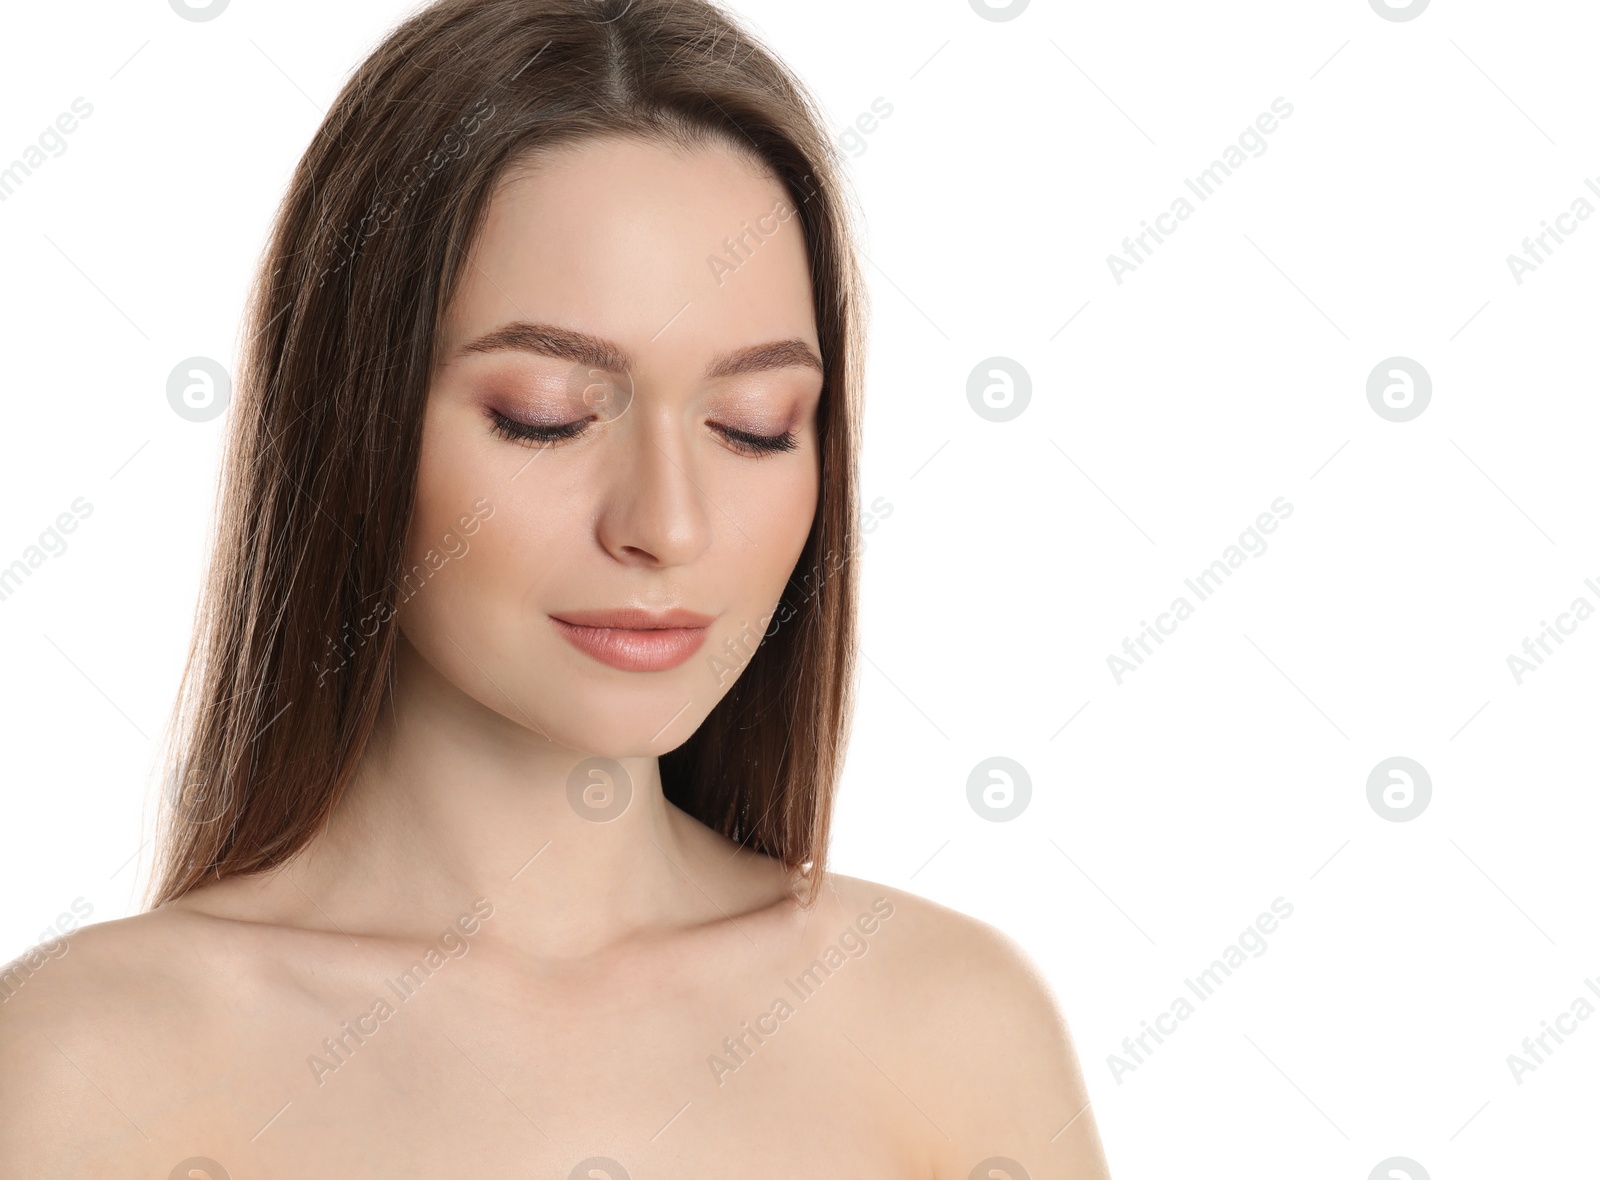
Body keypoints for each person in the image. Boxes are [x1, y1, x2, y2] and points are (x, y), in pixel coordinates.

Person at [0, 2, 1110, 1175]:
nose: (666, 526)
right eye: (546, 416)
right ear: (351, 419)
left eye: (753, 427)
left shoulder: (947, 1026)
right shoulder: (89, 1063)